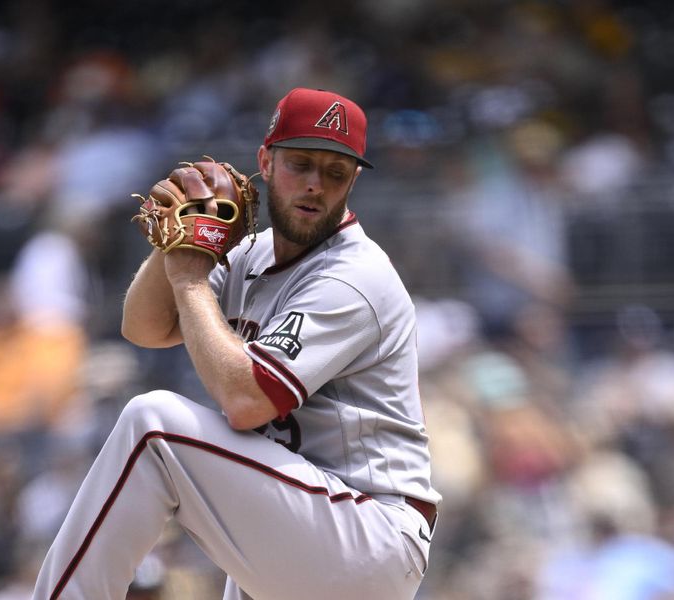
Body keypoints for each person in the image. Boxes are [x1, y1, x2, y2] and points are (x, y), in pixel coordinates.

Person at [32, 87, 441, 600]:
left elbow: (247, 402)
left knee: (152, 425)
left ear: (352, 181)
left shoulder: (353, 275)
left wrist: (188, 277)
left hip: (367, 530)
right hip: (305, 513)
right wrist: (174, 249)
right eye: (301, 164)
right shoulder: (252, 254)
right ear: (266, 162)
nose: (315, 185)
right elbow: (145, 328)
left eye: (335, 172)